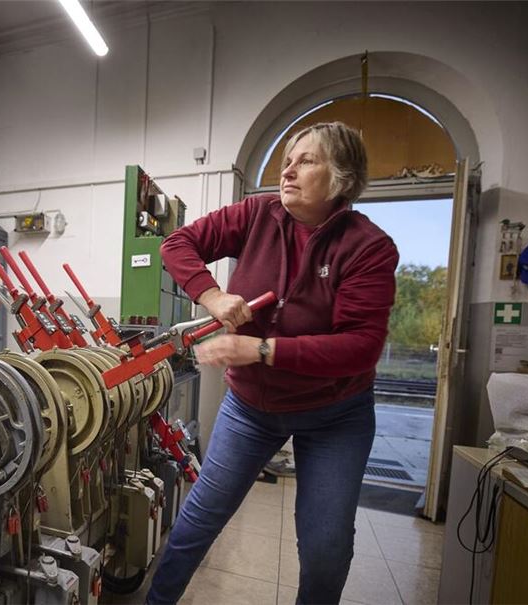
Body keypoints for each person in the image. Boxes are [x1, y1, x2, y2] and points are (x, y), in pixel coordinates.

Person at [146, 122, 399, 604]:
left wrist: (262, 350)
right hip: (252, 408)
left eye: (306, 161)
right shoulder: (257, 214)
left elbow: (360, 347)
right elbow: (176, 244)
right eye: (287, 160)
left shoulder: (368, 246)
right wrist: (212, 296)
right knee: (199, 518)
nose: (288, 170)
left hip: (335, 414)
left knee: (325, 548)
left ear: (342, 176)